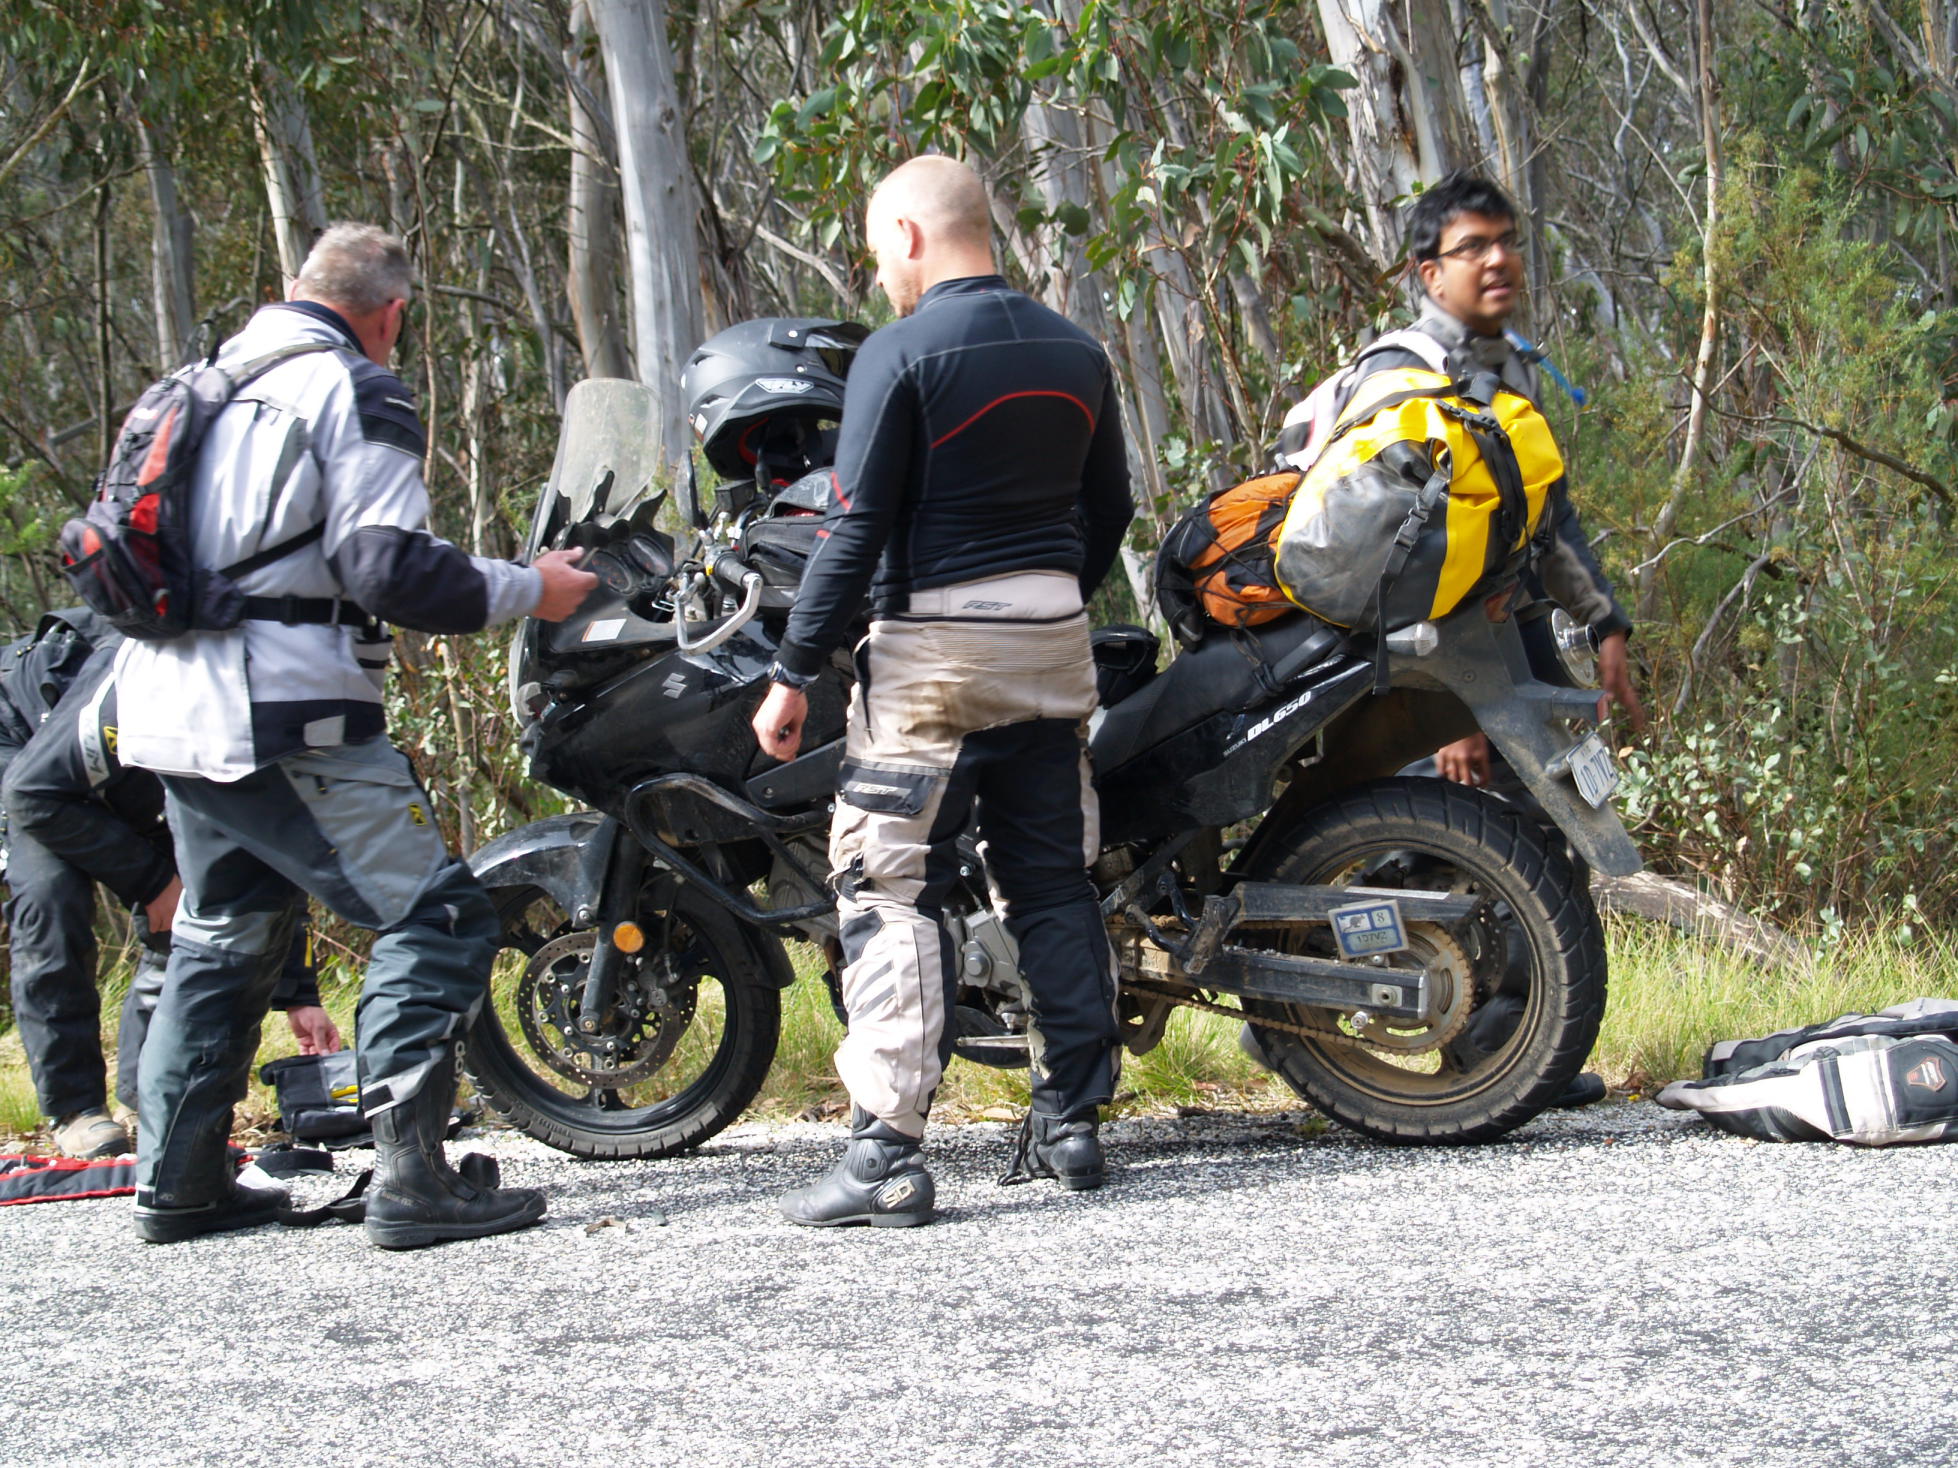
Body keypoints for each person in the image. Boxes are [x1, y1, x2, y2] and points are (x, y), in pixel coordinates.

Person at [113, 223, 595, 1247]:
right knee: (439, 916)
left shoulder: (196, 385)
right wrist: (532, 588)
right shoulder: (354, 389)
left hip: (164, 708)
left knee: (223, 932)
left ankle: (178, 1184)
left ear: (295, 288)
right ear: (392, 314)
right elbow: (388, 570)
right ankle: (413, 1180)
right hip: (287, 715)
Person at [751, 156, 1135, 1227]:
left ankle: (885, 1152)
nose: (880, 271)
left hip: (932, 660)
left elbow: (855, 528)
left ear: (911, 236)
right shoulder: (1076, 351)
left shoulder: (901, 351)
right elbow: (1110, 508)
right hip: (1052, 649)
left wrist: (791, 673)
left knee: (883, 883)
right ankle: (1071, 1123)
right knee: (1051, 880)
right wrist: (1047, 597)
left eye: (879, 248)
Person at [2, 632, 337, 1161]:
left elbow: (266, 862)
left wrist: (300, 994)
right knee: (51, 898)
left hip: (139, 772)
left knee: (195, 905)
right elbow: (31, 795)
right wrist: (153, 881)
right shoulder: (140, 679)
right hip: (33, 756)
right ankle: (75, 1109)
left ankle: (147, 1096)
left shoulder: (261, 733)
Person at [1361, 172, 1647, 785]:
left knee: (1552, 816)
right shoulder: (1404, 379)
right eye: (1473, 246)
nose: (1498, 259)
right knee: (1438, 832)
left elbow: (1550, 516)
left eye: (1507, 241)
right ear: (1431, 274)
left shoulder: (1511, 366)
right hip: (1423, 677)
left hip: (1505, 647)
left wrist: (1605, 624)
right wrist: (1453, 712)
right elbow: (1396, 559)